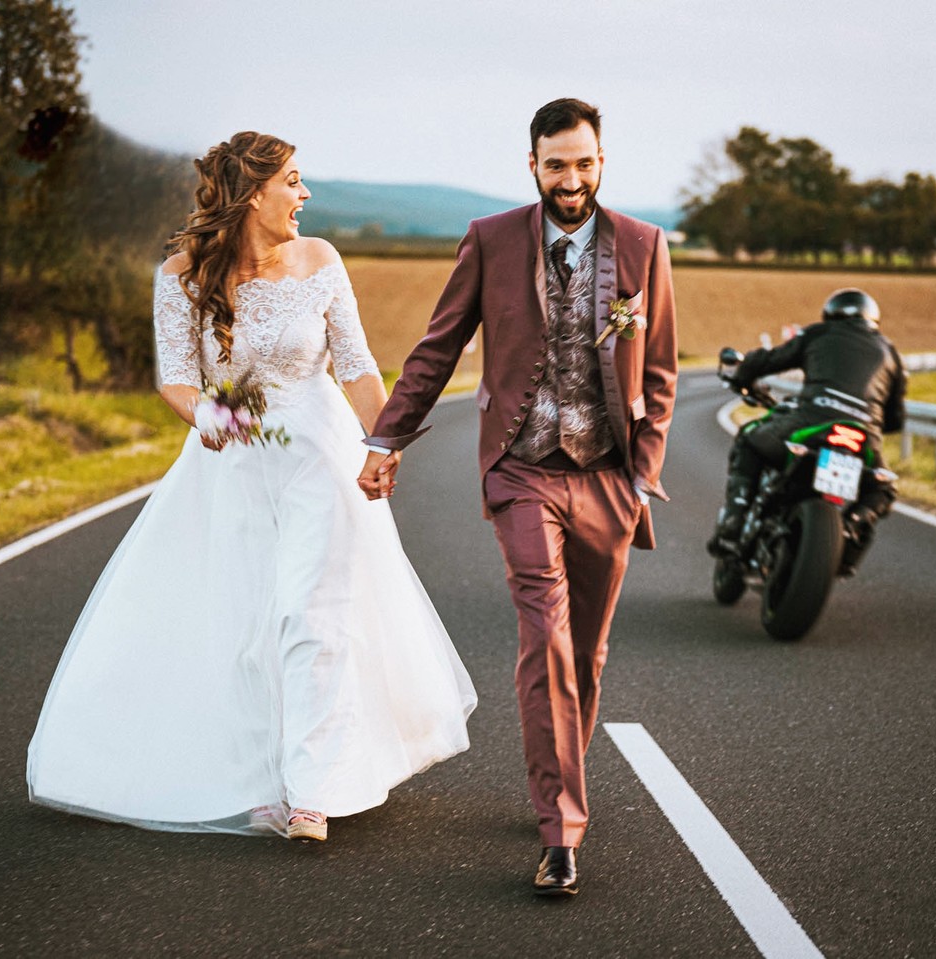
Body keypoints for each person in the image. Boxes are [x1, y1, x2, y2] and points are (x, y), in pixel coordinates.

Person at [28, 132, 476, 843]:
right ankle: (260, 773)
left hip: (319, 457)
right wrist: (207, 414)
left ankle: (312, 790)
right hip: (232, 458)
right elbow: (175, 374)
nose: (305, 196)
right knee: (245, 625)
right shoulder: (180, 274)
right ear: (252, 193)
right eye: (293, 182)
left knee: (310, 613)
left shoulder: (321, 260)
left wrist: (381, 441)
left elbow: (357, 366)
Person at [357, 99, 678, 895]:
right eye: (556, 164)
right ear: (531, 166)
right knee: (546, 637)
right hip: (522, 468)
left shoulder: (643, 244)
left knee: (588, 654)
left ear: (603, 161)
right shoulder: (492, 240)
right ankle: (561, 830)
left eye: (585, 162)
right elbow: (439, 346)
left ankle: (556, 770)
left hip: (606, 477)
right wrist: (385, 437)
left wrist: (641, 471)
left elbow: (662, 370)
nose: (572, 178)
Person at [707, 288, 907, 556]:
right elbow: (894, 419)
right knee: (883, 487)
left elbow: (771, 359)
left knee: (749, 438)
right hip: (863, 439)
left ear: (831, 314)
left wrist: (744, 373)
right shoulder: (891, 354)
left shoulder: (820, 334)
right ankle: (853, 526)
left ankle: (736, 515)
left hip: (813, 423)